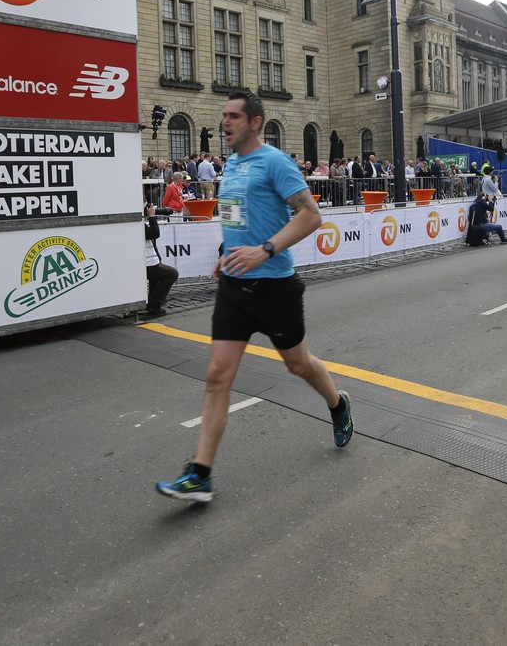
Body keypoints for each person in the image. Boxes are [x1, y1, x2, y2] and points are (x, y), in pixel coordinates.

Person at [156, 92, 353, 504]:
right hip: (234, 285)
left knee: (298, 364)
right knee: (217, 375)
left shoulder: (275, 162)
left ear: (255, 122)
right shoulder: (231, 165)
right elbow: (234, 216)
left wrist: (264, 250)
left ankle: (337, 404)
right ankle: (200, 474)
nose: (225, 122)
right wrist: (227, 254)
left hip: (275, 286)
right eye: (224, 115)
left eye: (233, 116)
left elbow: (311, 215)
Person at [143, 203, 178, 316]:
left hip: (148, 262)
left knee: (156, 279)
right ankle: (153, 304)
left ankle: (154, 307)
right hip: (147, 264)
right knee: (172, 274)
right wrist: (152, 217)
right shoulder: (136, 224)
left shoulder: (137, 223)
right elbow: (154, 233)